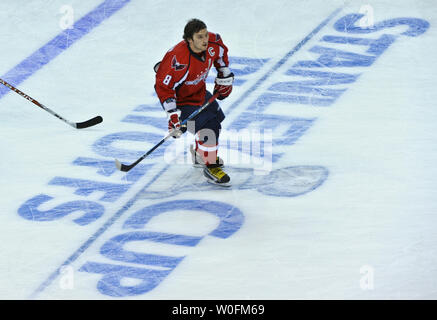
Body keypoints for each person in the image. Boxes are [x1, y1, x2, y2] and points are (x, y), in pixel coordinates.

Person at [154, 18, 234, 186]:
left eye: (205, 35)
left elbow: (221, 58)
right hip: (181, 101)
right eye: (199, 37)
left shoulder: (214, 42)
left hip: (198, 92)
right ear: (189, 40)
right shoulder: (177, 59)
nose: (205, 40)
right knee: (209, 129)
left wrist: (224, 76)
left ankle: (200, 155)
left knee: (215, 121)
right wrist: (173, 116)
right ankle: (210, 166)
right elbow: (163, 87)